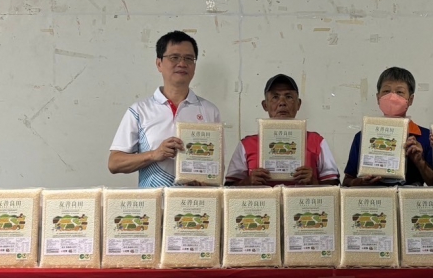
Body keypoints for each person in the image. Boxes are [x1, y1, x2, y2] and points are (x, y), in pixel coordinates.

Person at [108, 31, 221, 187]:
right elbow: (114, 163)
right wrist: (154, 154)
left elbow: (216, 168)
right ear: (159, 64)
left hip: (194, 201)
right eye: (174, 57)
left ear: (194, 66)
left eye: (189, 58)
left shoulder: (210, 111)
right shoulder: (140, 111)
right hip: (153, 202)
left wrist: (206, 183)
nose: (182, 63)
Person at [225, 74, 340, 186]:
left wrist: (314, 182)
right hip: (263, 200)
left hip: (301, 200)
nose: (282, 103)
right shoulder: (246, 145)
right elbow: (229, 186)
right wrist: (248, 182)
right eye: (275, 97)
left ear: (298, 104)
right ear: (265, 105)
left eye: (289, 97)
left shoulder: (316, 141)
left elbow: (335, 185)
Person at [343, 67, 433, 187]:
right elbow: (346, 182)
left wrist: (419, 161)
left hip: (410, 199)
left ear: (410, 100)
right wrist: (362, 182)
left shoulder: (425, 137)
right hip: (374, 198)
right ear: (378, 98)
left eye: (400, 92)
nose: (392, 97)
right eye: (386, 91)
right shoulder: (363, 136)